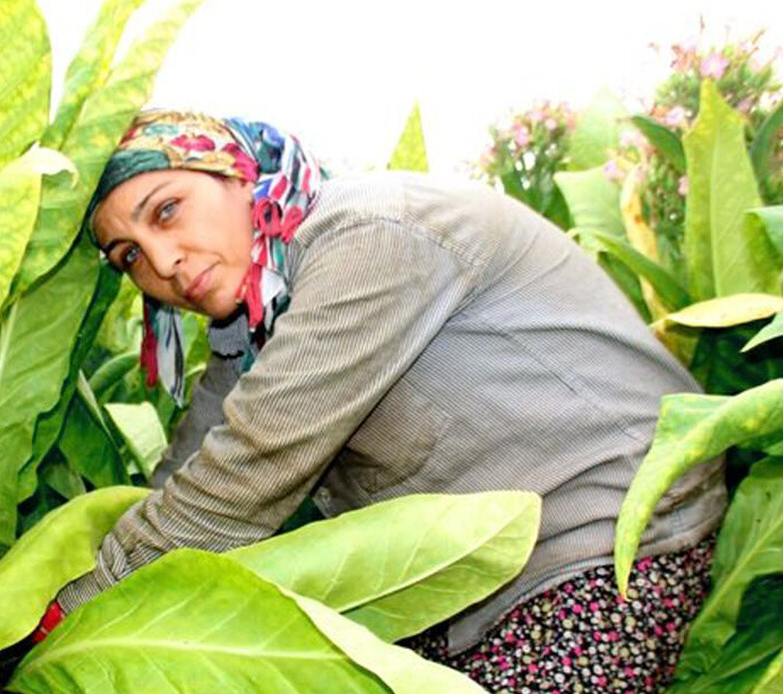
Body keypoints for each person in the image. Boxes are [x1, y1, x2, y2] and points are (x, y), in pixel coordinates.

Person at [39, 109, 727, 692]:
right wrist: (65, 591)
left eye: (167, 211)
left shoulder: (369, 237)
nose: (161, 263)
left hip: (609, 548)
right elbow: (190, 470)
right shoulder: (250, 323)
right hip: (472, 586)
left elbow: (248, 468)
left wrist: (69, 618)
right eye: (128, 255)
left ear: (239, 177)